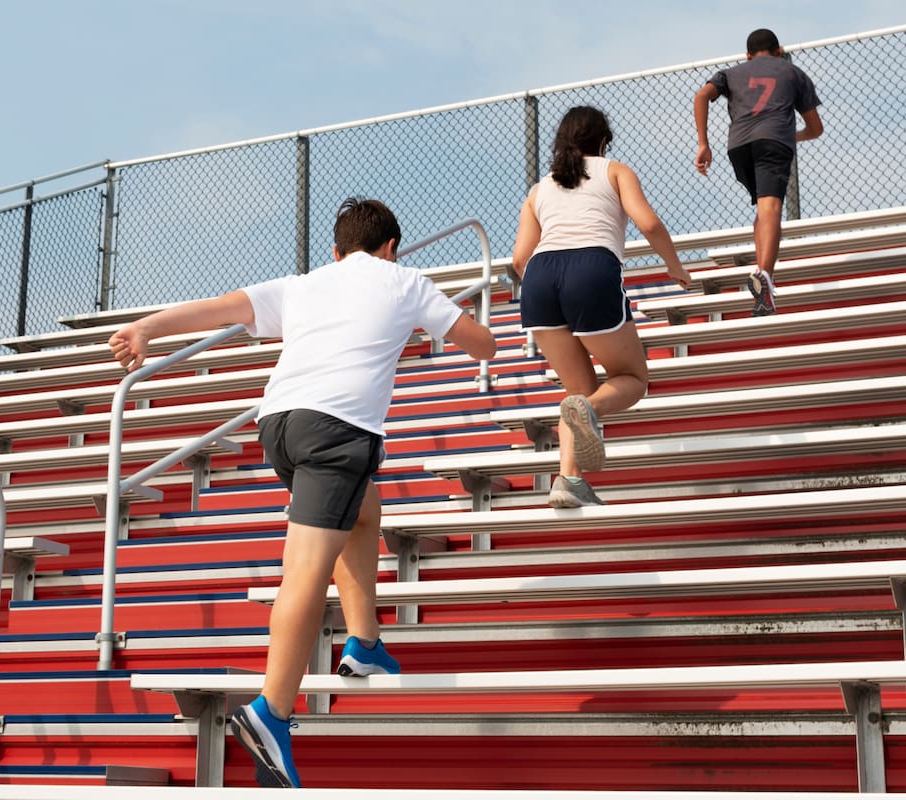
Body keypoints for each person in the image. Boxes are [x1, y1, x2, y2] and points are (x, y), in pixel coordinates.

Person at [108, 197, 497, 787]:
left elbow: (220, 309)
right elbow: (481, 345)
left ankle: (364, 640)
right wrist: (460, 328)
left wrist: (145, 328)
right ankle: (272, 712)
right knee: (306, 572)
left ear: (336, 252)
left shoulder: (306, 284)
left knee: (364, 510)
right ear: (390, 247)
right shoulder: (405, 279)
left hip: (279, 427)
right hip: (338, 431)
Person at [513, 106, 691, 509]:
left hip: (540, 277)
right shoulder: (615, 170)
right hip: (590, 267)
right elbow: (648, 223)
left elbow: (520, 258)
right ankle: (588, 410)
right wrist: (675, 267)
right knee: (631, 377)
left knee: (574, 389)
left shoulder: (539, 190)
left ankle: (568, 480)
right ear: (604, 140)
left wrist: (548, 288)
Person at [694, 27, 824, 316]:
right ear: (779, 50)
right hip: (773, 141)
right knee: (771, 208)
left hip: (738, 146)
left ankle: (762, 273)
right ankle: (765, 274)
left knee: (762, 208)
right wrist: (793, 135)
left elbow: (701, 96)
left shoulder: (729, 73)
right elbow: (816, 128)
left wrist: (703, 143)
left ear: (748, 55)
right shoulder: (794, 73)